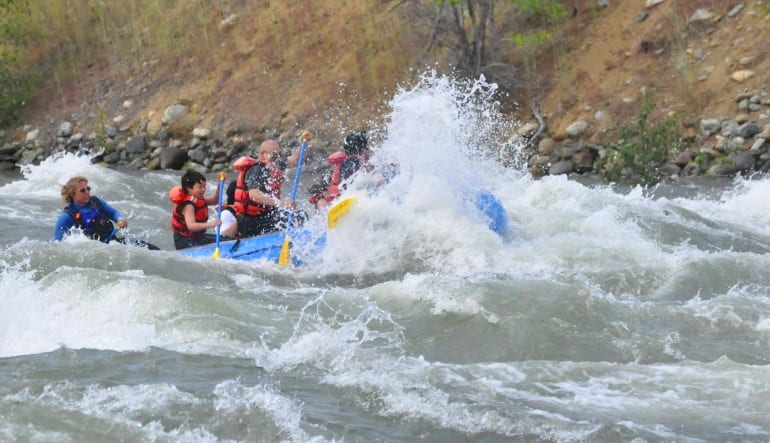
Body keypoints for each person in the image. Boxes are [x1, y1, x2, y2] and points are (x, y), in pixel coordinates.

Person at [231, 132, 311, 238]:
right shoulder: (256, 170)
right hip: (250, 220)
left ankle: (301, 241)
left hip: (266, 215)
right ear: (263, 154)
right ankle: (286, 242)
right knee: (290, 217)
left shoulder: (273, 163)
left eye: (279, 154)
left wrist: (304, 143)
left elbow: (296, 159)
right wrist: (281, 203)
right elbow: (254, 195)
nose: (278, 158)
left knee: (300, 215)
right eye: (275, 155)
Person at [169, 170, 235, 250]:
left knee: (226, 241)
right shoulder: (188, 205)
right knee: (225, 244)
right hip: (186, 242)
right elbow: (191, 226)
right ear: (189, 188)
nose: (203, 190)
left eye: (204, 187)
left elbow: (214, 200)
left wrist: (220, 184)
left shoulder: (197, 198)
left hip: (197, 237)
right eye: (200, 187)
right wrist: (212, 224)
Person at [308, 130, 373, 210]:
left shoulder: (345, 162)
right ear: (363, 149)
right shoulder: (354, 164)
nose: (370, 150)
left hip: (334, 197)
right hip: (339, 199)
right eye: (368, 147)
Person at [54, 176, 129, 243]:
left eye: (88, 189)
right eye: (82, 190)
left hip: (113, 242)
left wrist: (120, 220)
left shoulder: (97, 202)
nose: (87, 192)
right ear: (72, 194)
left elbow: (113, 213)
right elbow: (57, 242)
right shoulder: (67, 216)